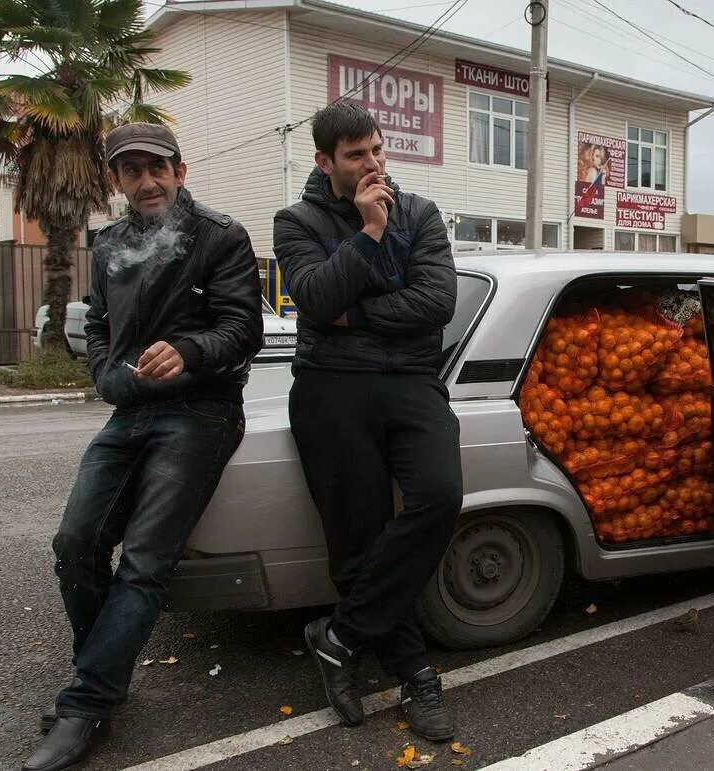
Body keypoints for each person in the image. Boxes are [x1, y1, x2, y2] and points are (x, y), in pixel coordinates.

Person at [23, 123, 263, 771]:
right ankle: (102, 672)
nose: (146, 181)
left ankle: (86, 701)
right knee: (75, 543)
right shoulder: (110, 244)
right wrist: (105, 375)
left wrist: (187, 350)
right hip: (131, 407)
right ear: (115, 180)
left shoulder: (220, 235)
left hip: (201, 409)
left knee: (146, 561)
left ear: (180, 170)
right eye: (131, 171)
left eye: (157, 167)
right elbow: (99, 325)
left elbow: (243, 331)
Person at [273, 102, 461, 742]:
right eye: (356, 155)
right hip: (332, 386)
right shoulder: (295, 221)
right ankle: (414, 673)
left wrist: (354, 314)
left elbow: (437, 303)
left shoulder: (423, 213)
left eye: (377, 150)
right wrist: (370, 234)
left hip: (411, 380)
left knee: (440, 497)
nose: (373, 163)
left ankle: (340, 635)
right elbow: (316, 299)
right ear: (325, 162)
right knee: (357, 535)